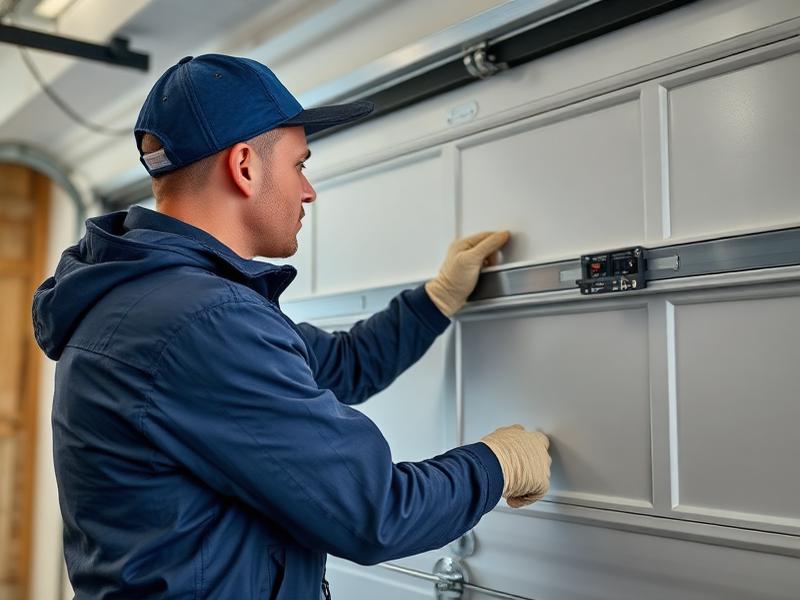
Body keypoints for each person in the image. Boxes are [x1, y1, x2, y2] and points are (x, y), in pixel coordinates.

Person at [32, 54, 551, 599]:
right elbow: (375, 512)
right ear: (244, 166)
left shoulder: (154, 297)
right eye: (299, 164)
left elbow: (342, 365)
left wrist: (436, 300)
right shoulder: (201, 321)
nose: (308, 191)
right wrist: (496, 464)